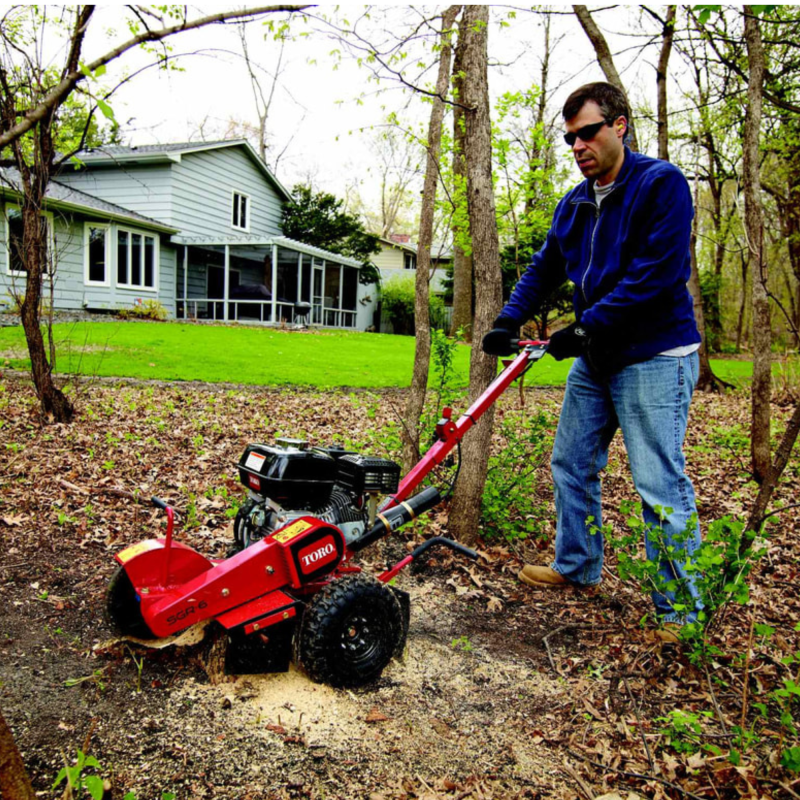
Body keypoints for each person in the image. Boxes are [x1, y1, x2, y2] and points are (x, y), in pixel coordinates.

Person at [482, 82, 703, 637]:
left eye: (587, 133)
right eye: (570, 138)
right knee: (571, 462)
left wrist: (583, 328)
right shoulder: (576, 202)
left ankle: (682, 613)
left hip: (655, 355)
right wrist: (508, 319)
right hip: (599, 356)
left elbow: (654, 278)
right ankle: (577, 565)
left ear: (619, 125)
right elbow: (545, 266)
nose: (578, 145)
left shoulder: (660, 184)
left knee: (658, 484)